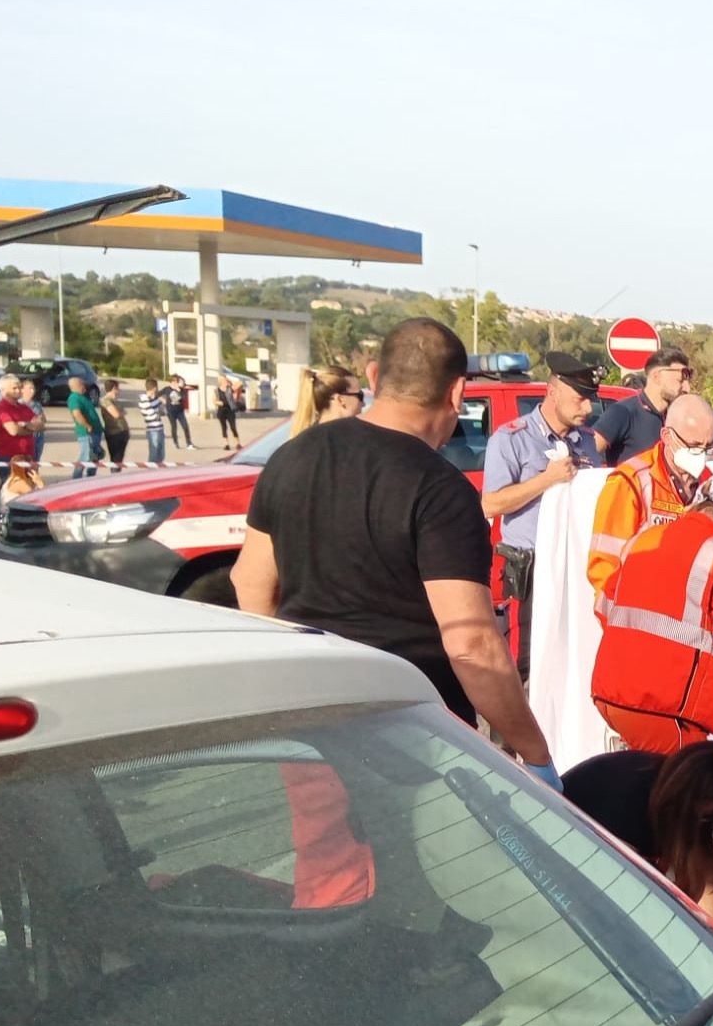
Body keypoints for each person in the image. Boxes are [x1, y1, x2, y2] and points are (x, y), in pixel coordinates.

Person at [231, 316, 558, 783]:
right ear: (458, 393)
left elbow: (250, 581)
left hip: (309, 730)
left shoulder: (292, 456)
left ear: (372, 377)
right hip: (415, 739)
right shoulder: (441, 490)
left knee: (327, 855)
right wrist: (537, 756)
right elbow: (471, 644)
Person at [591, 470, 713, 754]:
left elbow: (604, 610)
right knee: (681, 792)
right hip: (666, 709)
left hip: (610, 694)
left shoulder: (644, 538)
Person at [482, 352, 602, 679]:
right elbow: (490, 504)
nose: (588, 409)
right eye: (580, 399)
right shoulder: (512, 439)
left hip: (577, 568)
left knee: (572, 660)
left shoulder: (588, 443)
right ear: (553, 391)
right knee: (525, 665)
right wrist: (545, 479)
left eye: (590, 400)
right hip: (531, 569)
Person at [561, 742, 713, 927]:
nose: (709, 824)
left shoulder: (677, 784)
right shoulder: (628, 807)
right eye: (708, 817)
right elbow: (618, 888)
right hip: (562, 847)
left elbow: (703, 876)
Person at [587, 392, 713, 601]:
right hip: (640, 616)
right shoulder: (630, 482)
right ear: (667, 437)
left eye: (709, 447)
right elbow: (604, 570)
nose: (701, 454)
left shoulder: (710, 484)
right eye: (693, 446)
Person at [590, 345, 693, 467]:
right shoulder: (623, 412)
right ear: (657, 376)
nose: (687, 388)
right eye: (681, 379)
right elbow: (586, 455)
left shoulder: (672, 419)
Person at [288, 363, 365, 438]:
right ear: (341, 400)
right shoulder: (353, 443)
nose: (363, 404)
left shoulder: (303, 442)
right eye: (360, 396)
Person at [0, 373, 44, 482]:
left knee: (30, 489)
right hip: (9, 457)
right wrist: (31, 428)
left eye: (19, 387)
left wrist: (25, 425)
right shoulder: (0, 408)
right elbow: (13, 430)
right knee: (11, 491)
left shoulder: (24, 407)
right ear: (4, 390)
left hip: (28, 455)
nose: (19, 390)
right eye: (14, 388)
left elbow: (41, 425)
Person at [66, 375, 104, 480]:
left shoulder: (83, 397)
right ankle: (76, 479)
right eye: (82, 384)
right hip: (87, 433)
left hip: (95, 432)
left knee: (94, 458)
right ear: (76, 386)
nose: (84, 387)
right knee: (85, 457)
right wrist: (87, 425)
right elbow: (77, 414)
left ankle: (90, 479)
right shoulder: (74, 397)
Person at [99, 379, 131, 471]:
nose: (119, 390)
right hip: (115, 433)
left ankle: (116, 474)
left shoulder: (114, 400)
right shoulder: (106, 401)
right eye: (118, 388)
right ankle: (115, 477)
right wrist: (121, 412)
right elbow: (116, 414)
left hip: (121, 432)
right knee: (116, 459)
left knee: (118, 459)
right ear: (114, 388)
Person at [138, 377, 168, 464]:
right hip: (152, 430)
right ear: (154, 388)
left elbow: (163, 412)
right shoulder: (143, 400)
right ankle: (150, 472)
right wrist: (160, 400)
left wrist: (160, 401)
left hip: (160, 428)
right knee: (154, 454)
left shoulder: (154, 400)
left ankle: (158, 472)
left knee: (161, 454)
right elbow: (152, 412)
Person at [19, 378, 47, 463]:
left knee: (36, 462)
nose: (32, 391)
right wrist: (33, 422)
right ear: (22, 390)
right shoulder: (19, 404)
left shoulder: (37, 404)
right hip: (27, 437)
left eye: (33, 388)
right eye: (30, 388)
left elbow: (43, 419)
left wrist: (39, 420)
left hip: (39, 437)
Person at [163, 375, 193, 449]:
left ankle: (189, 443)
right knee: (174, 427)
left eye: (177, 382)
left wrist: (179, 391)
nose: (177, 383)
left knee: (185, 426)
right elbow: (158, 394)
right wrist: (163, 400)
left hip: (180, 411)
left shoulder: (181, 389)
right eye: (175, 381)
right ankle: (175, 442)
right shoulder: (167, 389)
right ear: (172, 382)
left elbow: (184, 397)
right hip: (171, 411)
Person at [214, 373, 241, 452]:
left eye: (224, 379)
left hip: (230, 410)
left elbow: (240, 384)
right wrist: (219, 403)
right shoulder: (217, 390)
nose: (223, 381)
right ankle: (226, 444)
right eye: (221, 379)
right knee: (224, 427)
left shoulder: (230, 388)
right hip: (222, 410)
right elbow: (214, 401)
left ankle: (237, 443)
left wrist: (230, 380)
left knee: (233, 427)